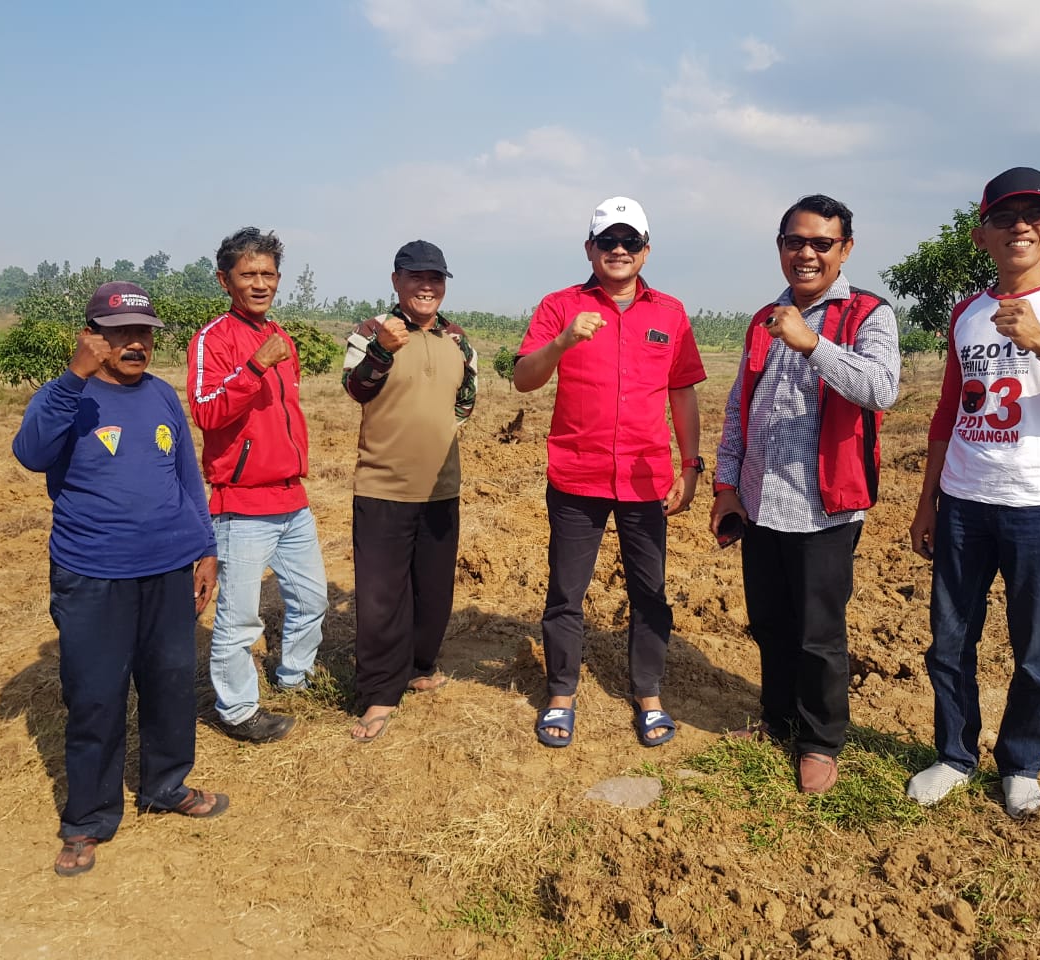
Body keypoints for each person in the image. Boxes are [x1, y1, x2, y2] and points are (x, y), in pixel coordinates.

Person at [906, 167, 1040, 818]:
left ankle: (1022, 763)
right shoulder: (966, 313)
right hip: (964, 504)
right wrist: (927, 501)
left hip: (1039, 508)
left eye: (1036, 214)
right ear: (983, 236)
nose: (1021, 225)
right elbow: (949, 410)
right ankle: (954, 755)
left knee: (1033, 650)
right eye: (1006, 216)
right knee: (949, 641)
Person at [13, 281, 227, 878]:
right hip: (92, 573)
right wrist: (72, 378)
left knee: (170, 685)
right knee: (96, 696)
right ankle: (87, 818)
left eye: (144, 333)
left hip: (166, 571)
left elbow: (187, 475)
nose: (135, 344)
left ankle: (167, 786)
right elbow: (30, 454)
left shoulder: (161, 396)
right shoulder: (65, 396)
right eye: (120, 333)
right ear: (93, 337)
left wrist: (205, 548)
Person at [710, 194, 901, 794]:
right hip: (762, 501)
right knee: (769, 622)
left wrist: (812, 343)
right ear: (781, 247)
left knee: (819, 632)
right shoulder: (764, 318)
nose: (808, 253)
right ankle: (778, 717)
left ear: (845, 250)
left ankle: (820, 741)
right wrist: (726, 486)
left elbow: (880, 388)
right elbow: (739, 408)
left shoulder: (867, 314)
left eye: (822, 243)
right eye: (796, 241)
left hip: (823, 507)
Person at [515, 196, 705, 748]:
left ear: (646, 249)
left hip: (646, 479)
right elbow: (525, 379)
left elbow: (682, 393)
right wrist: (563, 341)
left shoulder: (668, 313)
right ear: (589, 249)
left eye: (629, 241)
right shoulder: (560, 306)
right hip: (577, 474)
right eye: (607, 242)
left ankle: (648, 694)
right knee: (566, 593)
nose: (618, 251)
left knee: (650, 593)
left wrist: (690, 467)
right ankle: (561, 695)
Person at [187, 227, 328, 743]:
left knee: (311, 599)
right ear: (225, 280)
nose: (260, 282)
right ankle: (238, 708)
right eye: (248, 274)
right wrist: (253, 367)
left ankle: (294, 677)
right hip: (241, 504)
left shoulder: (282, 336)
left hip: (292, 497)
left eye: (268, 273)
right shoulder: (213, 339)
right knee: (240, 618)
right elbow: (206, 411)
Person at [341, 240, 477, 743]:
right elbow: (356, 387)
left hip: (441, 488)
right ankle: (379, 692)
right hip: (382, 485)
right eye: (416, 277)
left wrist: (440, 427)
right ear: (396, 280)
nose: (427, 286)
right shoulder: (373, 330)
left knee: (434, 591)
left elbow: (468, 399)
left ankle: (420, 665)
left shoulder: (457, 339)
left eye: (435, 279)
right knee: (381, 595)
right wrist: (383, 351)